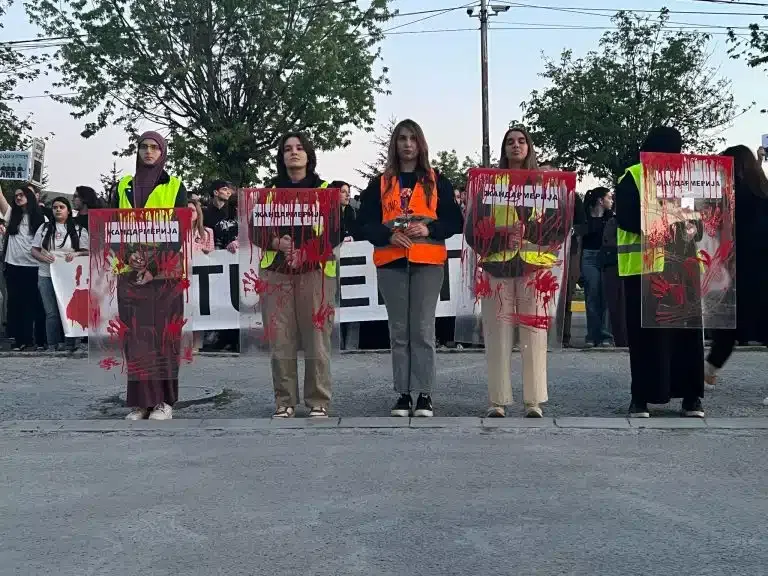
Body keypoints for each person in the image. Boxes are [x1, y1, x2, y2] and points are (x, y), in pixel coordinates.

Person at [358, 119, 462, 418]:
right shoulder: (380, 183)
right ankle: (403, 394)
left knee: (423, 329)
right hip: (391, 262)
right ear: (395, 144)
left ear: (421, 144)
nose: (407, 144)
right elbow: (364, 223)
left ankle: (425, 394)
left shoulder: (436, 180)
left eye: (412, 139)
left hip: (427, 263)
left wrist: (429, 230)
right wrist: (387, 235)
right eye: (402, 138)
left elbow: (454, 221)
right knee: (399, 330)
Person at [464, 125, 560, 418]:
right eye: (509, 142)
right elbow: (471, 231)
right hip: (498, 265)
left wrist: (528, 230)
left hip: (534, 266)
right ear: (503, 149)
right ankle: (498, 400)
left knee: (534, 334)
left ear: (529, 147)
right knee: (497, 333)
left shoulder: (544, 184)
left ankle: (534, 400)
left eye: (521, 141)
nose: (515, 146)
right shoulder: (490, 185)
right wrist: (501, 234)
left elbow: (559, 225)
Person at [615, 126, 705, 418]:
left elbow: (698, 224)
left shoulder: (686, 181)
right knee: (647, 338)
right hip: (645, 269)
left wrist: (682, 222)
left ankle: (690, 396)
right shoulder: (633, 176)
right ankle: (642, 397)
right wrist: (673, 219)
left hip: (680, 267)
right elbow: (628, 220)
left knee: (685, 336)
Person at [254, 132, 340, 418]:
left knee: (317, 336)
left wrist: (307, 251)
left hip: (315, 271)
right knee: (281, 338)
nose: (293, 153)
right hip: (276, 271)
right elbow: (256, 230)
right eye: (288, 148)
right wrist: (276, 243)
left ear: (309, 154)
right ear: (281, 155)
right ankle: (284, 400)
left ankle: (318, 400)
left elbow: (334, 231)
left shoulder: (325, 189)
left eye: (300, 148)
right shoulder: (268, 194)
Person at [111, 131, 188, 420]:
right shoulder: (123, 186)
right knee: (137, 339)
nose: (148, 152)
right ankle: (141, 402)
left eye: (154, 147)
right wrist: (128, 255)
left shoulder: (175, 186)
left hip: (164, 276)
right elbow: (113, 226)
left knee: (163, 337)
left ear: (163, 152)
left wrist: (152, 267)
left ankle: (164, 402)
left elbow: (178, 232)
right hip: (130, 272)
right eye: (143, 147)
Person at [705, 145, 768, 407]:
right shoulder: (763, 191)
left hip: (741, 268)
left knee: (729, 322)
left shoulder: (735, 194)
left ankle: (709, 370)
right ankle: (708, 370)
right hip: (761, 269)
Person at [31, 196, 89, 351]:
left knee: (69, 310)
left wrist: (75, 255)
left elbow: (87, 251)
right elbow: (34, 250)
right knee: (51, 312)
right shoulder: (44, 228)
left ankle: (71, 344)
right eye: (55, 207)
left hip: (70, 277)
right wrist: (43, 257)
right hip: (46, 275)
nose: (57, 209)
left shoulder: (78, 230)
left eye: (61, 207)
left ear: (68, 211)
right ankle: (52, 345)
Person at [0, 185, 45, 351]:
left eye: (22, 194)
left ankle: (30, 339)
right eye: (16, 195)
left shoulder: (41, 219)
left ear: (30, 196)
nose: (18, 197)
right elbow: (1, 198)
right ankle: (18, 340)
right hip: (13, 266)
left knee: (30, 305)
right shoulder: (12, 214)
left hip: (33, 267)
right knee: (15, 304)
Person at [581, 187, 614, 347]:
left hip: (606, 257)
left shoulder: (611, 218)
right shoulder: (585, 217)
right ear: (601, 200)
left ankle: (606, 335)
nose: (611, 201)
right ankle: (592, 335)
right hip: (588, 256)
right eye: (609, 198)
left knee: (606, 297)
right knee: (592, 296)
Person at [601, 198, 628, 347]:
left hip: (626, 266)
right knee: (615, 305)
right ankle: (619, 339)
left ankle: (624, 339)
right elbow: (609, 242)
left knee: (623, 306)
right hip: (614, 266)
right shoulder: (613, 222)